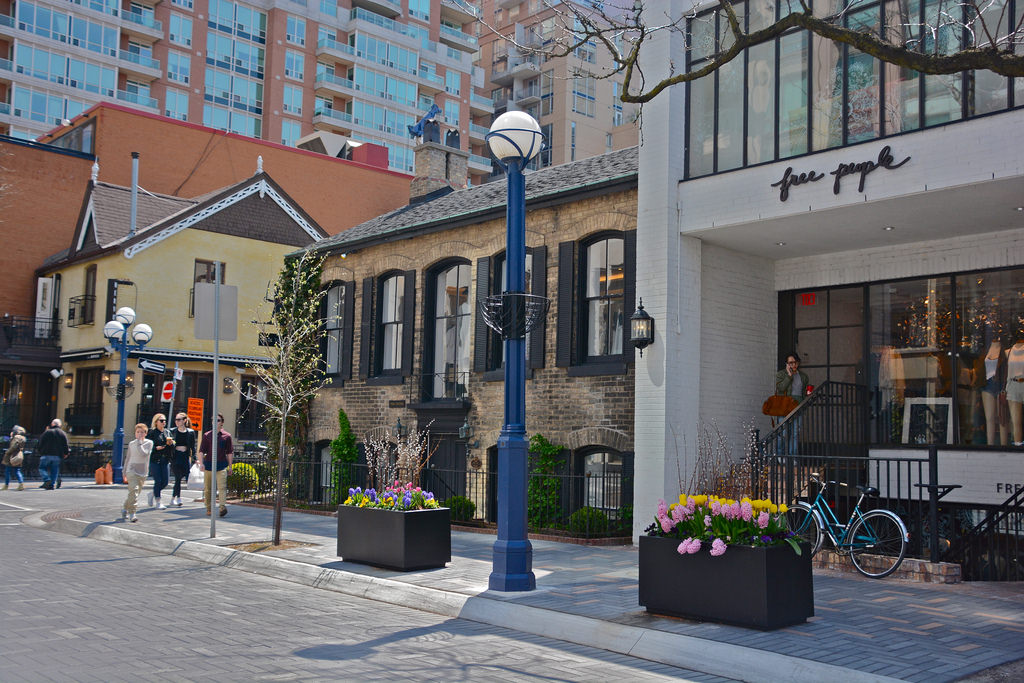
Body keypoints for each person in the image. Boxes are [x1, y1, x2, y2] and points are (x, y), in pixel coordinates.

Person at [774, 352, 810, 455]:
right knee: (783, 433)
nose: (793, 365)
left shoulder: (803, 376)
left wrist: (805, 399)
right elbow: (781, 388)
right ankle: (779, 455)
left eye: (794, 362)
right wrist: (789, 376)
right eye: (790, 363)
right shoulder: (781, 374)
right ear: (786, 364)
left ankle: (792, 456)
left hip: (797, 407)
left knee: (795, 433)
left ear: (798, 363)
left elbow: (803, 392)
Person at [198, 414, 233, 517]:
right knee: (208, 488)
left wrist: (230, 466)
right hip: (209, 465)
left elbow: (230, 452)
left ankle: (222, 507)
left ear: (222, 422)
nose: (215, 422)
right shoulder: (207, 435)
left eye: (218, 420)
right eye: (213, 420)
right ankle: (209, 508)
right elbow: (201, 451)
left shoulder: (227, 436)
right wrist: (201, 464)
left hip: (221, 465)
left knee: (222, 487)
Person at [121, 423, 153, 523]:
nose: (140, 434)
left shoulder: (149, 443)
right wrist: (124, 470)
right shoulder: (131, 444)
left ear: (145, 433)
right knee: (134, 490)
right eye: (138, 432)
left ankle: (125, 508)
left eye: (142, 432)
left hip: (142, 471)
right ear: (135, 433)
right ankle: (132, 513)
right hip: (131, 469)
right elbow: (128, 458)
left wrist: (140, 443)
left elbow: (144, 454)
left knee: (135, 493)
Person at [169, 412, 196, 507]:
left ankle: (173, 498)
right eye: (176, 419)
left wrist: (195, 458)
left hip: (185, 456)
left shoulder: (191, 432)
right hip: (175, 457)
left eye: (179, 419)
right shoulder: (172, 431)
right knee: (177, 478)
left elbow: (193, 446)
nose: (176, 421)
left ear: (184, 420)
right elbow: (168, 444)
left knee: (184, 475)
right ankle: (178, 498)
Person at [146, 413, 173, 509]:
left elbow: (172, 446)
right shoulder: (152, 433)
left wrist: (171, 444)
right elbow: (147, 446)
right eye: (161, 421)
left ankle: (152, 493)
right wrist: (156, 448)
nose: (164, 422)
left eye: (165, 420)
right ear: (156, 422)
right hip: (155, 459)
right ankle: (158, 501)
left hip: (165, 459)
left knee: (165, 482)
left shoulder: (167, 432)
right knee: (158, 481)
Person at [37, 418, 70, 490]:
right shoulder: (62, 433)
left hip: (46, 453)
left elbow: (40, 443)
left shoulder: (47, 432)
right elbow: (65, 444)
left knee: (42, 468)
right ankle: (52, 484)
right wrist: (66, 453)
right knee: (54, 470)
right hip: (57, 455)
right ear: (60, 425)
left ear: (52, 424)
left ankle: (46, 479)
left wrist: (40, 451)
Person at [3, 425, 27, 490]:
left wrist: (7, 452)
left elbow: (14, 446)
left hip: (12, 456)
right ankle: (21, 484)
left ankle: (6, 485)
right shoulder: (23, 437)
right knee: (17, 470)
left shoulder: (16, 437)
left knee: (7, 471)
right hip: (18, 455)